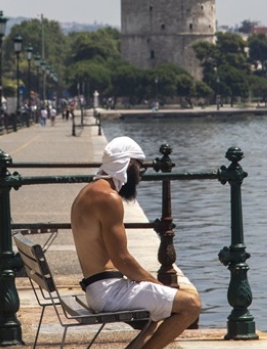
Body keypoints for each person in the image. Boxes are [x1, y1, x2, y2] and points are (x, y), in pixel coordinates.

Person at [70, 137, 201, 349]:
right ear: (128, 164)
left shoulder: (87, 192)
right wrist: (155, 283)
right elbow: (121, 259)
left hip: (97, 288)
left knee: (162, 308)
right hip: (108, 293)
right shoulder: (108, 198)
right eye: (139, 169)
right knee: (191, 305)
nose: (139, 177)